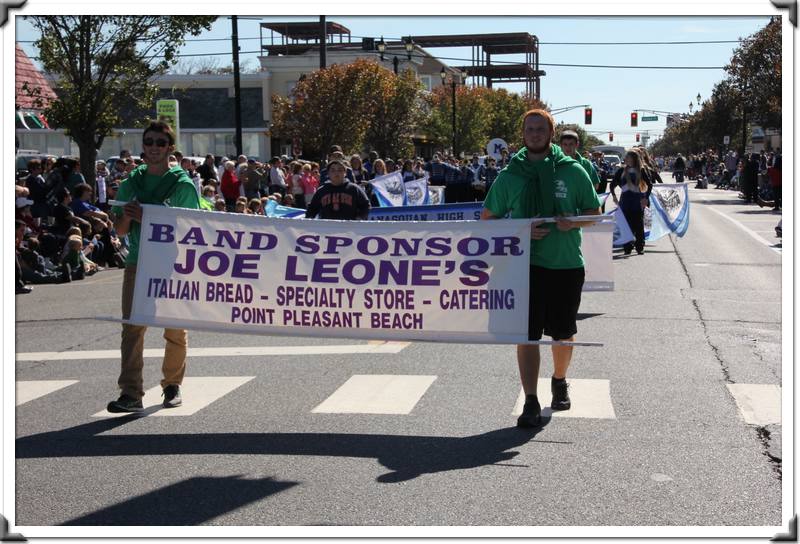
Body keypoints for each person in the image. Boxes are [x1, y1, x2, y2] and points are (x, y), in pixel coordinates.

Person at [480, 109, 601, 428]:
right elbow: (488, 220)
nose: (534, 134)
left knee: (563, 333)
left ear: (551, 132)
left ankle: (559, 379)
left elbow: (594, 213)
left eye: (540, 129)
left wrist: (572, 222)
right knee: (528, 335)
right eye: (529, 129)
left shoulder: (572, 171)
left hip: (565, 263)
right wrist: (519, 228)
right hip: (525, 266)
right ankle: (531, 400)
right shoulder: (511, 175)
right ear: (523, 134)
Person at [107, 121, 201, 413]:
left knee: (174, 329)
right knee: (132, 328)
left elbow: (190, 229)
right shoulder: (131, 182)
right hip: (138, 262)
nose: (154, 147)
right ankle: (131, 393)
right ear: (143, 146)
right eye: (149, 142)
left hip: (172, 264)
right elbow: (120, 231)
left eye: (161, 142)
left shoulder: (182, 184)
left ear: (170, 148)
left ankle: (172, 385)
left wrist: (148, 216)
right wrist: (129, 217)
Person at [611, 150, 653, 255]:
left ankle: (639, 246)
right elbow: (612, 184)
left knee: (638, 224)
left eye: (629, 157)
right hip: (625, 201)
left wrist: (645, 198)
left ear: (634, 159)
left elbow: (650, 184)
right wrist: (614, 196)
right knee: (625, 225)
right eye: (626, 157)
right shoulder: (621, 170)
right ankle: (627, 246)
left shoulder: (641, 170)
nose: (626, 159)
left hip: (637, 201)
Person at [305, 158, 370, 220]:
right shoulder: (321, 191)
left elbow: (366, 205)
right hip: (326, 229)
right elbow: (312, 209)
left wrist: (360, 217)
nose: (336, 173)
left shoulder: (354, 189)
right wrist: (308, 223)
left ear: (345, 173)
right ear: (328, 174)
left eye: (340, 170)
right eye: (333, 170)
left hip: (349, 229)